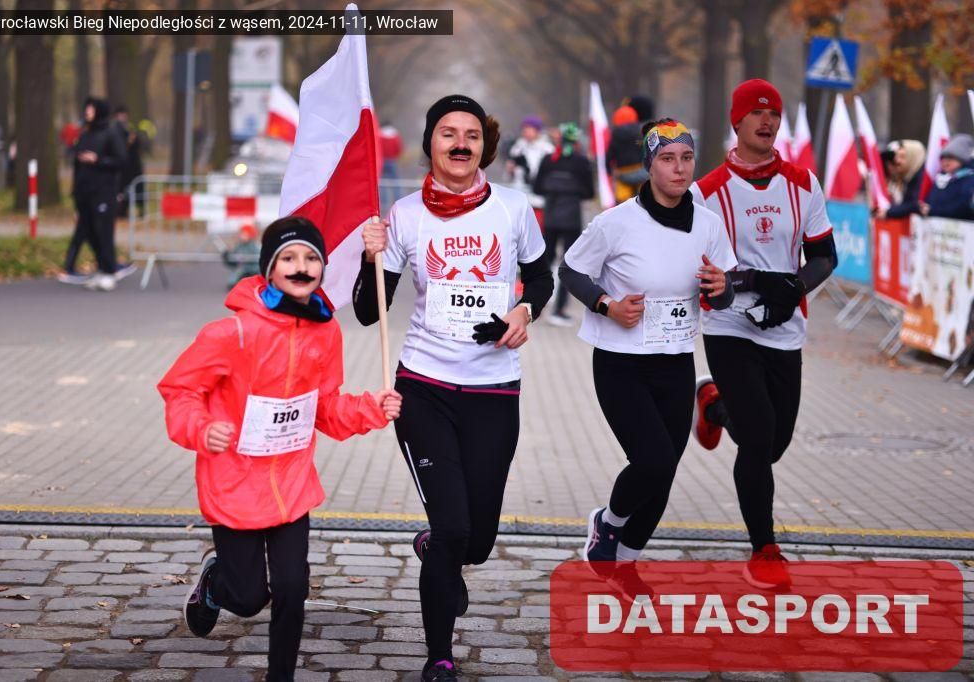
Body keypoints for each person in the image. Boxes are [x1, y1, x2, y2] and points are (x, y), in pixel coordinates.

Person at [353, 94, 553, 681]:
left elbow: (541, 276)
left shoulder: (513, 208)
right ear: (430, 144)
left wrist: (524, 310)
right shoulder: (405, 215)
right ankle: (439, 656)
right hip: (424, 388)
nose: (460, 143)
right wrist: (370, 257)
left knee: (478, 542)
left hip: (495, 390)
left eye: (471, 134)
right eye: (448, 133)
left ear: (484, 147)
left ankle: (437, 548)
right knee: (452, 530)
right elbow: (368, 312)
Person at [159, 216, 402, 682]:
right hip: (233, 484)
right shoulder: (231, 334)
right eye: (288, 258)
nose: (301, 266)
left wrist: (371, 407)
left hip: (291, 484)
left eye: (311, 258)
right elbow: (180, 390)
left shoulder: (325, 332)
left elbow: (325, 408)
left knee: (292, 587)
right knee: (249, 598)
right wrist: (201, 428)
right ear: (269, 268)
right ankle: (216, 583)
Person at [560, 118, 736, 598]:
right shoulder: (616, 223)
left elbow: (724, 293)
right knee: (654, 460)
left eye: (686, 158)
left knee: (665, 472)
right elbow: (570, 270)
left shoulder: (708, 224)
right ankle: (607, 523)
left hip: (675, 361)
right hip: (622, 362)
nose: (679, 169)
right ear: (649, 166)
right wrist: (606, 305)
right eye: (667, 159)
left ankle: (625, 564)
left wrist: (721, 289)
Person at [690, 79, 838, 590]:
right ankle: (764, 549)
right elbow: (700, 271)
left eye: (773, 112)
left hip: (785, 328)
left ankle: (713, 407)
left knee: (773, 444)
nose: (766, 120)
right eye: (755, 113)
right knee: (756, 438)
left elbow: (824, 256)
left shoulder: (803, 183)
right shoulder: (707, 193)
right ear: (737, 121)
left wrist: (793, 287)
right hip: (730, 326)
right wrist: (749, 283)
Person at [59, 98, 133, 290]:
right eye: (86, 108)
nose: (87, 111)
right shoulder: (85, 134)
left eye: (91, 108)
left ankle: (109, 271)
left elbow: (121, 160)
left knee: (103, 231)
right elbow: (77, 161)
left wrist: (98, 160)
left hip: (103, 191)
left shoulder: (111, 133)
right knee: (89, 231)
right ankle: (102, 267)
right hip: (84, 191)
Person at [533, 122, 595, 326]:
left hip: (550, 217)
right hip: (571, 219)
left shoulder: (548, 159)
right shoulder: (582, 161)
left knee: (544, 262)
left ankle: (535, 305)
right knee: (569, 264)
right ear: (576, 141)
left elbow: (537, 187)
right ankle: (559, 310)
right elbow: (589, 192)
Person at [506, 115, 555, 225]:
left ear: (537, 131)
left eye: (529, 129)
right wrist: (511, 169)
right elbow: (510, 172)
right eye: (524, 129)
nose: (526, 132)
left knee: (536, 228)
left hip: (539, 198)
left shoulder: (547, 149)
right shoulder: (518, 147)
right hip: (520, 194)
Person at [921, 134, 974, 221]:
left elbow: (964, 207)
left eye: (950, 157)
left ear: (962, 159)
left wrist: (933, 211)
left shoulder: (970, 179)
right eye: (943, 158)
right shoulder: (941, 178)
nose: (945, 162)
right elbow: (930, 200)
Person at [606, 105, 646, 203]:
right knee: (643, 201)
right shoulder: (641, 131)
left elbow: (610, 153)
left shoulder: (615, 134)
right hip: (640, 171)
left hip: (623, 173)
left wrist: (609, 170)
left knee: (623, 203)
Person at [877, 139, 925, 219]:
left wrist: (888, 212)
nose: (897, 161)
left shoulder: (920, 178)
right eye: (897, 156)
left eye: (902, 156)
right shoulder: (908, 177)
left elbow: (913, 204)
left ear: (912, 157)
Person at [114, 105, 145, 218]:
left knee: (138, 188)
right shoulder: (115, 131)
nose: (123, 118)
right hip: (123, 167)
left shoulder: (129, 129)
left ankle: (140, 209)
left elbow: (137, 146)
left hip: (134, 165)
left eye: (124, 115)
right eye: (120, 115)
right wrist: (127, 143)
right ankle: (121, 210)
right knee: (123, 189)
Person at [222, 223, 262, 289]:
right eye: (241, 234)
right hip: (243, 271)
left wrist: (247, 260)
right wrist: (227, 256)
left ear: (250, 235)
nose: (241, 236)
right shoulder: (239, 246)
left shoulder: (256, 246)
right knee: (234, 282)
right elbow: (233, 262)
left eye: (244, 234)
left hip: (253, 272)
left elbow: (259, 262)